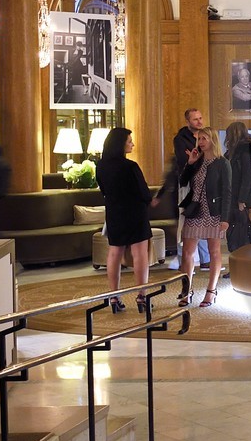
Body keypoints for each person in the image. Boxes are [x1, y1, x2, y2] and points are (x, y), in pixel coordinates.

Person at [96, 126, 152, 314]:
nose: (133, 144)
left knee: (114, 252)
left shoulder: (101, 166)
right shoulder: (131, 166)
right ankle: (141, 295)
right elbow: (144, 192)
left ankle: (114, 296)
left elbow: (103, 190)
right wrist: (149, 201)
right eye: (129, 141)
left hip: (114, 212)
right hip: (135, 211)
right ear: (120, 144)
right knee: (139, 253)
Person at [177, 126, 230, 308]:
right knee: (187, 252)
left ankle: (211, 291)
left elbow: (227, 191)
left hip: (213, 212)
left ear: (212, 140)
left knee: (214, 251)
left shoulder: (222, 163)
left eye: (204, 138)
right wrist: (190, 163)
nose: (200, 142)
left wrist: (225, 217)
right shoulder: (197, 161)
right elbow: (183, 181)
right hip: (195, 210)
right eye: (199, 139)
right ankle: (187, 290)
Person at [157, 108, 210, 271]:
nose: (200, 122)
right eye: (195, 119)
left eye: (201, 118)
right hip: (187, 185)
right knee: (186, 221)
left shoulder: (205, 136)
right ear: (188, 121)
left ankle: (205, 259)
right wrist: (197, 158)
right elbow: (184, 161)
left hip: (203, 183)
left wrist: (196, 157)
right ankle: (183, 259)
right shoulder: (180, 139)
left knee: (201, 220)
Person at [224, 121, 251, 253]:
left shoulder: (244, 151)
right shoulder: (233, 152)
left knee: (239, 233)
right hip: (233, 197)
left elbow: (246, 176)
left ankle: (240, 264)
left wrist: (241, 200)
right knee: (235, 231)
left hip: (239, 198)